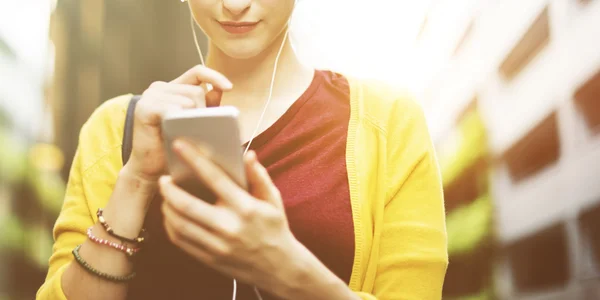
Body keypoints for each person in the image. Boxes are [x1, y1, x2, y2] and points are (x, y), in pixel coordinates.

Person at [37, 0, 448, 299]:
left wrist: (288, 270)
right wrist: (137, 179)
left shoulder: (387, 122)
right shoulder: (116, 128)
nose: (234, 5)